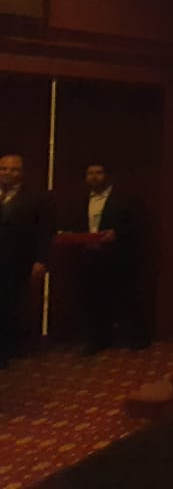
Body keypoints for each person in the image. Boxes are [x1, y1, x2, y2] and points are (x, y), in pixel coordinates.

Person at [70, 163, 148, 354]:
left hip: (117, 257)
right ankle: (98, 339)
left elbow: (137, 226)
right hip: (89, 256)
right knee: (93, 299)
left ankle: (136, 338)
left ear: (107, 175)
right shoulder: (80, 201)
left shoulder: (124, 199)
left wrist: (117, 234)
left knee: (125, 297)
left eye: (98, 173)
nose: (94, 177)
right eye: (90, 173)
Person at [0, 155, 53, 368]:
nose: (8, 173)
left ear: (22, 172)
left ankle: (7, 350)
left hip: (17, 261)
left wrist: (40, 260)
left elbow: (44, 232)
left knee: (9, 305)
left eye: (13, 169)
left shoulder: (36, 198)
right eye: (3, 169)